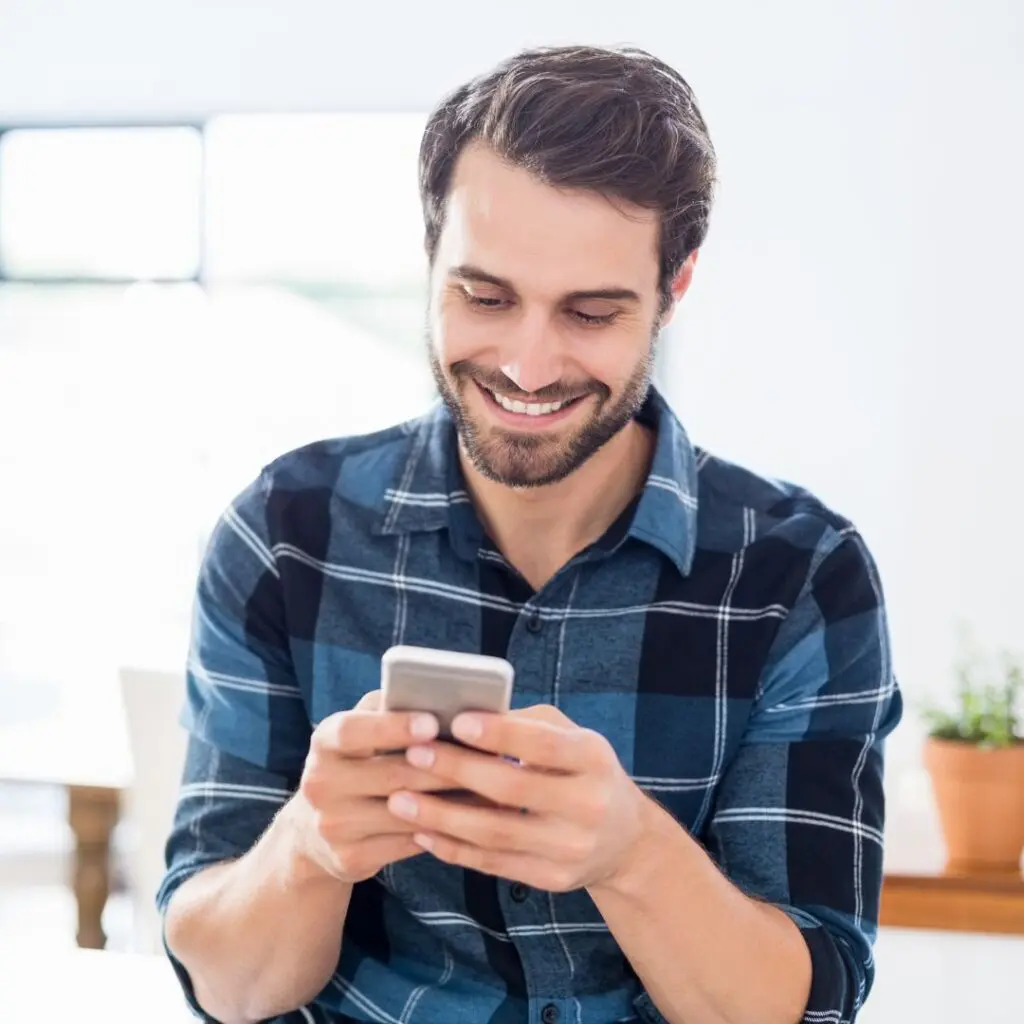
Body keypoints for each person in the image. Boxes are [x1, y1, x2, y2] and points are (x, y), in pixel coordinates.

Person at [160, 44, 902, 1024]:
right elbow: (227, 983)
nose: (528, 363)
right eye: (485, 296)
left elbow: (797, 1007)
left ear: (674, 288)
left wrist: (632, 852)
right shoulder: (286, 535)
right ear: (429, 261)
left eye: (590, 311)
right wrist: (310, 843)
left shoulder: (799, 577)